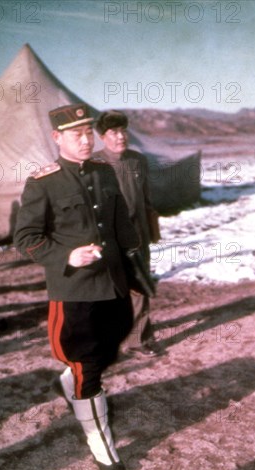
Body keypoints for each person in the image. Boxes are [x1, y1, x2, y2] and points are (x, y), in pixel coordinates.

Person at [14, 103, 139, 470]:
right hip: (76, 291)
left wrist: (133, 262)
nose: (85, 141)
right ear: (58, 138)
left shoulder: (104, 171)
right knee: (88, 367)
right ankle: (101, 443)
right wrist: (67, 255)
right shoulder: (44, 181)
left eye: (88, 133)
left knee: (113, 343)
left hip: (113, 284)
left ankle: (71, 378)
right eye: (76, 134)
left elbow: (120, 223)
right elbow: (26, 238)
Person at [96, 110, 163, 356]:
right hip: (110, 239)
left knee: (140, 286)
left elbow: (146, 200)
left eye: (123, 130)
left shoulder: (137, 161)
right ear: (102, 137)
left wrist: (151, 230)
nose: (121, 136)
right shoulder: (94, 164)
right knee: (109, 289)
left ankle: (137, 340)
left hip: (138, 235)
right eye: (114, 132)